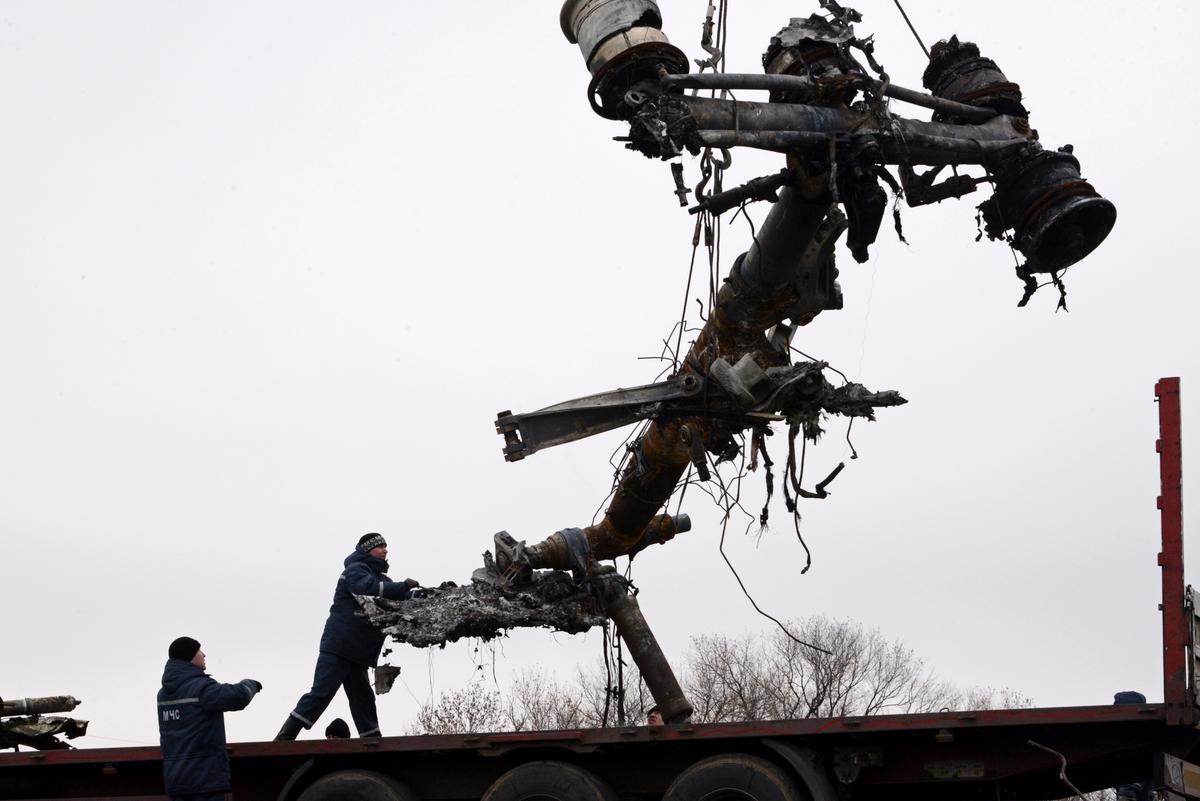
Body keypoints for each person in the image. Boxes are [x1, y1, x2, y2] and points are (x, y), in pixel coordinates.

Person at [275, 533, 419, 740]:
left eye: (386, 547)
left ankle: (372, 740)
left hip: (358, 653)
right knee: (321, 693)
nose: (386, 550)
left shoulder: (381, 579)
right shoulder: (355, 571)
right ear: (367, 550)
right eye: (381, 547)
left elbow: (400, 595)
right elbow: (368, 589)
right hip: (339, 647)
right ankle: (285, 737)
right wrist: (404, 585)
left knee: (363, 699)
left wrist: (429, 594)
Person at [157, 637, 261, 801]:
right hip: (204, 780)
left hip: (176, 780)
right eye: (199, 650)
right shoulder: (200, 688)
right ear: (189, 656)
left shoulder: (163, 695)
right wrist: (250, 684)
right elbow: (236, 697)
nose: (203, 654)